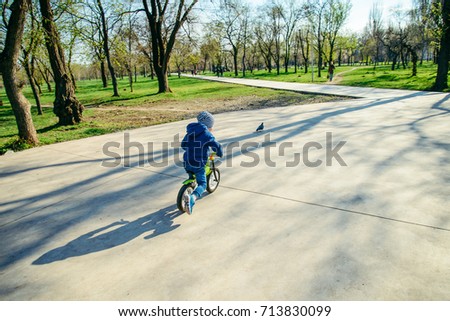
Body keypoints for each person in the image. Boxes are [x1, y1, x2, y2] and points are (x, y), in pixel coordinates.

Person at [181, 111, 223, 214]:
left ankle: (191, 181)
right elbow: (216, 145)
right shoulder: (206, 134)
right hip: (198, 163)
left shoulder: (190, 132)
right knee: (203, 184)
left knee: (192, 173)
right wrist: (220, 152)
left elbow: (183, 145)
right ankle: (192, 198)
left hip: (187, 161)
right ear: (208, 125)